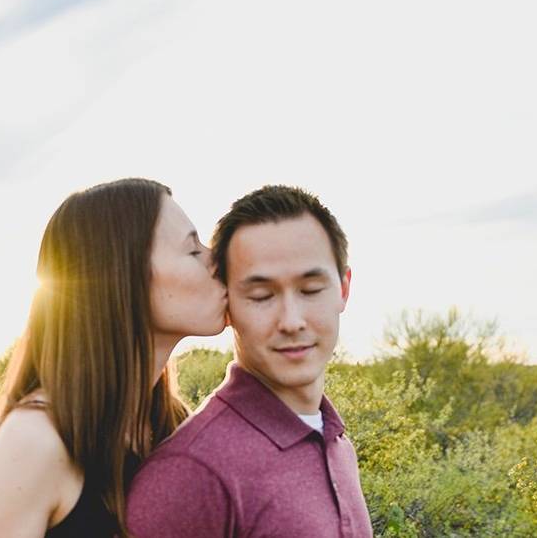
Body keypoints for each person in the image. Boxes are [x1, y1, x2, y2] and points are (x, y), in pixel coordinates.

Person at [0, 178, 227, 538]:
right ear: (123, 275)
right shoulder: (35, 442)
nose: (217, 261)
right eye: (193, 250)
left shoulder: (169, 424)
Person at [126, 184, 373, 538]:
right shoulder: (192, 473)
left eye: (310, 290)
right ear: (227, 304)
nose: (291, 321)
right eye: (261, 296)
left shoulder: (334, 440)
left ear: (343, 289)